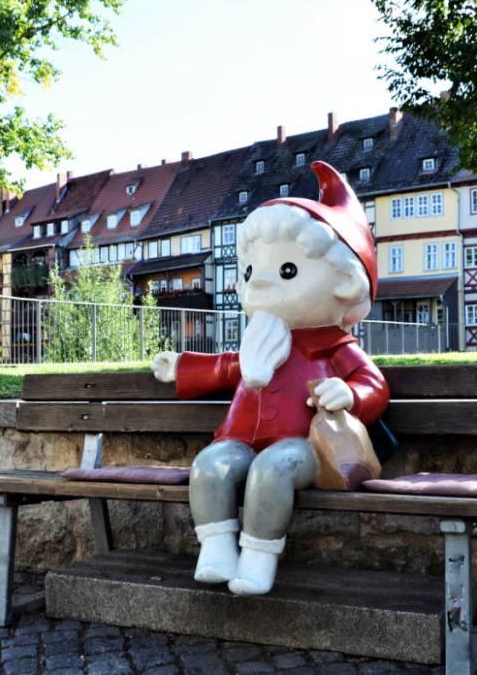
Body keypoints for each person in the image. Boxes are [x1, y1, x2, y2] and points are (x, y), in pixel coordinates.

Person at [151, 161, 389, 596]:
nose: (256, 282)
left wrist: (350, 393)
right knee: (209, 465)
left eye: (287, 271)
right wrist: (181, 367)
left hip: (304, 446)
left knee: (271, 470)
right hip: (240, 439)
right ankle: (217, 548)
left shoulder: (333, 345)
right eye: (249, 272)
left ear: (344, 285)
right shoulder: (261, 339)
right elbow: (228, 368)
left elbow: (373, 384)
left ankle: (259, 557)